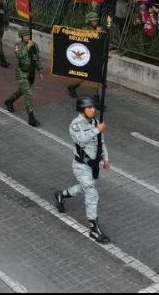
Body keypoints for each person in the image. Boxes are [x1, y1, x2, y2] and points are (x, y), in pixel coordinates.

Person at [54, 96, 111, 244]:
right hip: (81, 166)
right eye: (89, 108)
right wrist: (96, 130)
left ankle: (62, 195)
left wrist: (106, 158)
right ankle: (94, 228)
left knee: (85, 188)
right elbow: (81, 140)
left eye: (93, 107)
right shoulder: (75, 124)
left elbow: (101, 142)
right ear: (82, 110)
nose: (93, 110)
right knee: (92, 193)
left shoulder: (95, 122)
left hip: (93, 165)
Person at [4, 27, 42, 126]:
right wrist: (27, 47)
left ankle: (9, 101)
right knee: (28, 93)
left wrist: (40, 70)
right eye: (25, 35)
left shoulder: (34, 45)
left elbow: (36, 58)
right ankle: (31, 118)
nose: (27, 37)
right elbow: (19, 56)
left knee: (22, 91)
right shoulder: (18, 45)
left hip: (31, 73)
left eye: (28, 34)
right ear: (21, 36)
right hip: (22, 73)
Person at [67, 12, 104, 98]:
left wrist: (101, 33)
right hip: (88, 56)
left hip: (96, 55)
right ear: (89, 21)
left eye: (96, 21)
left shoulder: (99, 29)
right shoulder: (85, 30)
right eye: (94, 21)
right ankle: (96, 98)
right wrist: (96, 33)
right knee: (90, 75)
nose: (96, 22)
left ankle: (73, 86)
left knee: (90, 75)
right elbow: (87, 41)